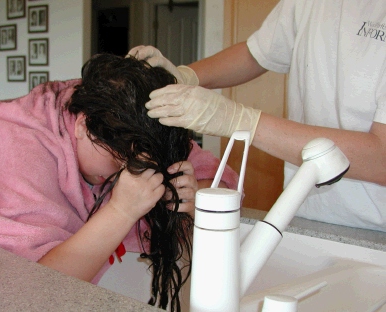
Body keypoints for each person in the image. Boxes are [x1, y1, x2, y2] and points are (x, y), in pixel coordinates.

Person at [0, 10, 238, 312]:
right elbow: (36, 290)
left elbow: (216, 177)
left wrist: (196, 195)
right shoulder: (16, 159)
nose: (125, 176)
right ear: (83, 125)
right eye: (119, 163)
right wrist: (120, 211)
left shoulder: (122, 115)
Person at [128, 0, 386, 233]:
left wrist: (242, 121)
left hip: (376, 225)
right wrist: (186, 76)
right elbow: (257, 53)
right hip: (303, 210)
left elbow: (382, 158)